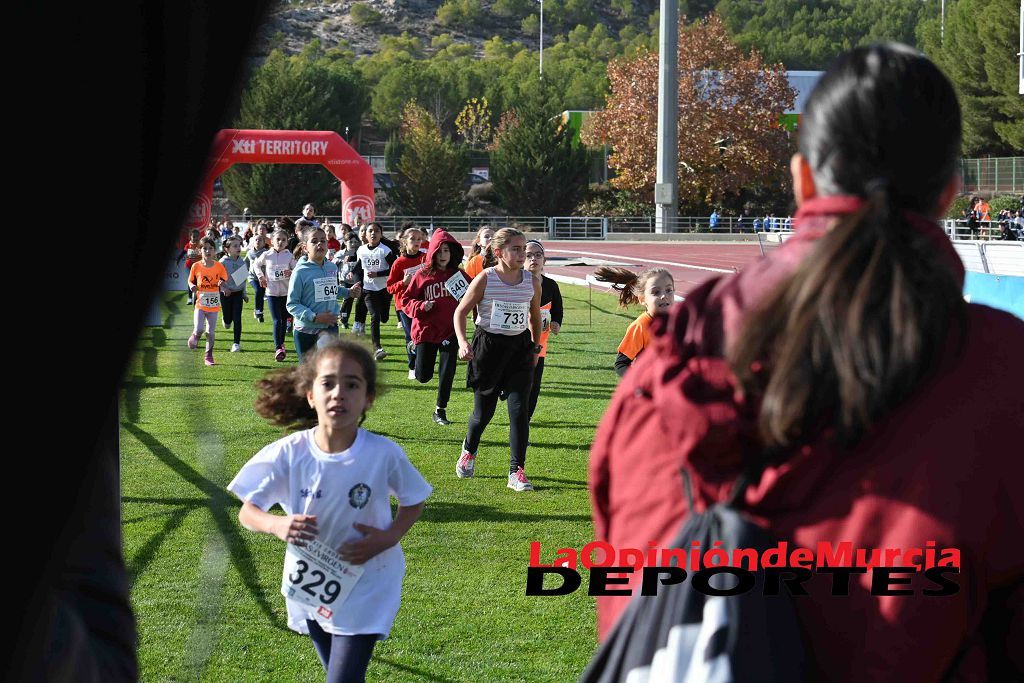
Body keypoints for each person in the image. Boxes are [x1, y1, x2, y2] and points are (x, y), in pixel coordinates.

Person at [588, 44, 1024, 681]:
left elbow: (623, 589)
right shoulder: (1001, 376)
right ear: (950, 195)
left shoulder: (668, 363)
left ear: (804, 181)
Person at [228, 337, 431, 683]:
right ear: (310, 395)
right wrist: (278, 525)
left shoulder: (383, 454)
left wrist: (389, 537)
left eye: (352, 384)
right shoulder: (289, 453)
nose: (339, 393)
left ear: (368, 398)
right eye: (328, 383)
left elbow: (414, 499)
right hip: (311, 582)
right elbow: (248, 512)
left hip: (369, 579)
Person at [453, 227, 542, 492]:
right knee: (483, 413)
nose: (521, 254)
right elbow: (460, 312)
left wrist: (535, 348)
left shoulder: (532, 282)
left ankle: (517, 472)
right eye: (515, 249)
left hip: (519, 350)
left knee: (519, 412)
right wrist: (462, 342)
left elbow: (534, 317)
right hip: (488, 348)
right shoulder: (485, 278)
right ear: (498, 252)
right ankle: (469, 450)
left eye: (523, 249)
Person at [403, 228, 466, 426]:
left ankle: (440, 409)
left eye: (446, 251)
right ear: (432, 253)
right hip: (427, 331)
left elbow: (474, 297)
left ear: (452, 252)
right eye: (439, 251)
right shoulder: (422, 274)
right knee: (423, 376)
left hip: (450, 331)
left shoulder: (458, 275)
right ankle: (413, 346)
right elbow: (406, 300)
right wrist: (420, 306)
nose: (443, 255)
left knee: (448, 371)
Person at [287, 227, 362, 363]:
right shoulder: (300, 272)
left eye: (323, 241)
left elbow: (332, 290)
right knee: (308, 373)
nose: (319, 244)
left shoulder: (331, 268)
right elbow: (292, 304)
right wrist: (314, 317)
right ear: (305, 248)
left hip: (330, 326)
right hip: (306, 330)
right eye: (314, 241)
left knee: (328, 368)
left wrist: (349, 292)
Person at [592, 266, 674, 376]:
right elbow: (621, 364)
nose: (664, 296)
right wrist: (639, 383)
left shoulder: (682, 322)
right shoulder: (641, 326)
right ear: (642, 299)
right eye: (656, 292)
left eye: (669, 290)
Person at [523, 240, 563, 419]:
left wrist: (556, 323)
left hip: (540, 344)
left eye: (538, 255)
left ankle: (526, 421)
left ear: (544, 260)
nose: (533, 259)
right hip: (515, 340)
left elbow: (557, 310)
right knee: (515, 381)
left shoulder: (551, 285)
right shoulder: (516, 283)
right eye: (528, 255)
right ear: (521, 259)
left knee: (533, 385)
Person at [385, 227, 426, 379]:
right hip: (404, 306)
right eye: (412, 239)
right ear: (404, 242)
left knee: (422, 336)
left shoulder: (426, 259)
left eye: (419, 239)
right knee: (411, 336)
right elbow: (389, 288)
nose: (416, 242)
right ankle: (412, 366)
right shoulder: (399, 263)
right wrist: (403, 283)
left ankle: (421, 364)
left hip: (422, 303)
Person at [353, 223, 397, 361]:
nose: (373, 233)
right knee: (375, 316)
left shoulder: (385, 251)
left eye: (377, 231)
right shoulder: (361, 250)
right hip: (368, 290)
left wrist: (378, 273)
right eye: (370, 231)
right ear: (366, 234)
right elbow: (358, 267)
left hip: (384, 289)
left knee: (384, 317)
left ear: (381, 234)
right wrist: (354, 277)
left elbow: (394, 271)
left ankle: (384, 318)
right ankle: (377, 348)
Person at [252, 228, 296, 362]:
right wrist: (260, 277)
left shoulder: (289, 255)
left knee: (283, 321)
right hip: (271, 293)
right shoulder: (267, 255)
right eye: (278, 239)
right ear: (272, 241)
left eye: (284, 240)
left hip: (286, 293)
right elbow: (256, 265)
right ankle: (278, 347)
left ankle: (281, 344)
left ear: (287, 242)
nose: (281, 242)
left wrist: (291, 272)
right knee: (277, 320)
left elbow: (297, 269)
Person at [186, 237, 230, 366]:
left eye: (211, 248)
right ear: (200, 251)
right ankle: (195, 336)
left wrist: (224, 286)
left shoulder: (219, 266)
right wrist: (192, 286)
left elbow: (224, 280)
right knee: (199, 329)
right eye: (204, 248)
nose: (208, 250)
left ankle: (209, 356)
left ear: (215, 251)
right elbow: (190, 281)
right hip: (200, 304)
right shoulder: (196, 266)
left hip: (214, 306)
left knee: (210, 332)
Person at [219, 235, 250, 352]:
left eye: (239, 245)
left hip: (237, 295)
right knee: (228, 319)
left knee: (237, 318)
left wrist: (244, 294)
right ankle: (226, 320)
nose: (238, 248)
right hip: (225, 295)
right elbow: (218, 279)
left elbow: (242, 281)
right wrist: (223, 288)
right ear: (227, 249)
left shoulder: (242, 262)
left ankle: (236, 343)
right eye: (235, 246)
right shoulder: (223, 262)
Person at [247, 233, 269, 323]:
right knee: (258, 291)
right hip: (252, 277)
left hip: (263, 278)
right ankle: (257, 311)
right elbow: (245, 263)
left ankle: (260, 313)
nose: (258, 241)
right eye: (256, 240)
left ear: (264, 243)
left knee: (261, 293)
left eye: (260, 240)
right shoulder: (249, 253)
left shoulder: (267, 253)